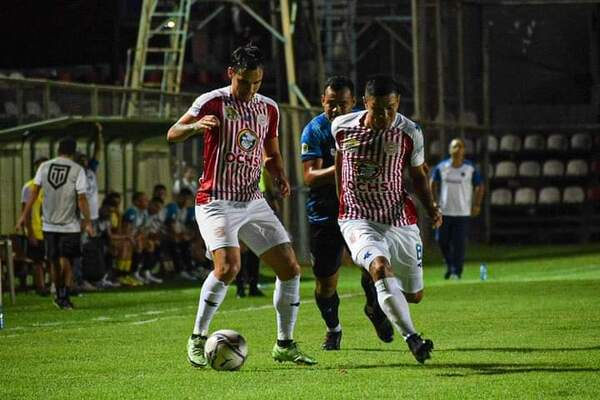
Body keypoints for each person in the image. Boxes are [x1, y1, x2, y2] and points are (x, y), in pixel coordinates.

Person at [167, 43, 316, 367]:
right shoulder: (213, 101)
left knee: (290, 269)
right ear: (231, 74)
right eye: (245, 82)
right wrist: (195, 126)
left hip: (252, 199)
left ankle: (284, 344)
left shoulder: (268, 109)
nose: (251, 89)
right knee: (228, 267)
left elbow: (270, 150)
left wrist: (278, 174)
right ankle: (197, 338)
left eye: (257, 82)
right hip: (216, 200)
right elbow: (173, 132)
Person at [332, 76, 442, 364]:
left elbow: (418, 177)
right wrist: (341, 203)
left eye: (390, 109)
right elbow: (339, 165)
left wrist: (431, 208)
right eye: (378, 108)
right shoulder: (342, 127)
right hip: (358, 218)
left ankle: (376, 306)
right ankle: (413, 338)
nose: (384, 115)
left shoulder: (410, 132)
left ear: (398, 104)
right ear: (365, 103)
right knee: (380, 267)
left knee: (414, 295)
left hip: (399, 219)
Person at [300, 76, 393, 350]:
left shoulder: (367, 126)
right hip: (325, 217)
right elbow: (309, 176)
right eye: (331, 104)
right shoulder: (315, 130)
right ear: (322, 101)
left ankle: (374, 309)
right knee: (326, 284)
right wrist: (342, 168)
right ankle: (333, 328)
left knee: (374, 268)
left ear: (355, 103)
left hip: (362, 212)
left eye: (343, 104)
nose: (337, 110)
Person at [17, 137, 94, 309]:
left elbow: (34, 192)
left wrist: (23, 216)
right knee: (66, 259)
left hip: (48, 224)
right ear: (73, 152)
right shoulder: (77, 169)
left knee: (53, 260)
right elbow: (81, 198)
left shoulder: (44, 167)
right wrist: (88, 221)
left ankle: (58, 292)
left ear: (58, 150)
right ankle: (64, 293)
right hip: (70, 224)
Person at [430, 138, 485, 279]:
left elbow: (480, 186)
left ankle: (456, 271)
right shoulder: (442, 167)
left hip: (462, 212)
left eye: (460, 146)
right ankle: (449, 264)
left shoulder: (470, 168)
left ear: (464, 150)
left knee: (459, 244)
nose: (457, 149)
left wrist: (477, 204)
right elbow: (432, 183)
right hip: (445, 211)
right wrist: (434, 203)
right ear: (450, 150)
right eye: (454, 146)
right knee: (441, 241)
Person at [20, 156, 49, 296]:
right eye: (40, 167)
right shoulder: (29, 187)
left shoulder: (51, 186)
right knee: (38, 261)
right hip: (36, 230)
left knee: (51, 260)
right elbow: (25, 211)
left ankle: (54, 286)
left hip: (50, 229)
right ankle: (41, 287)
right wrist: (30, 232)